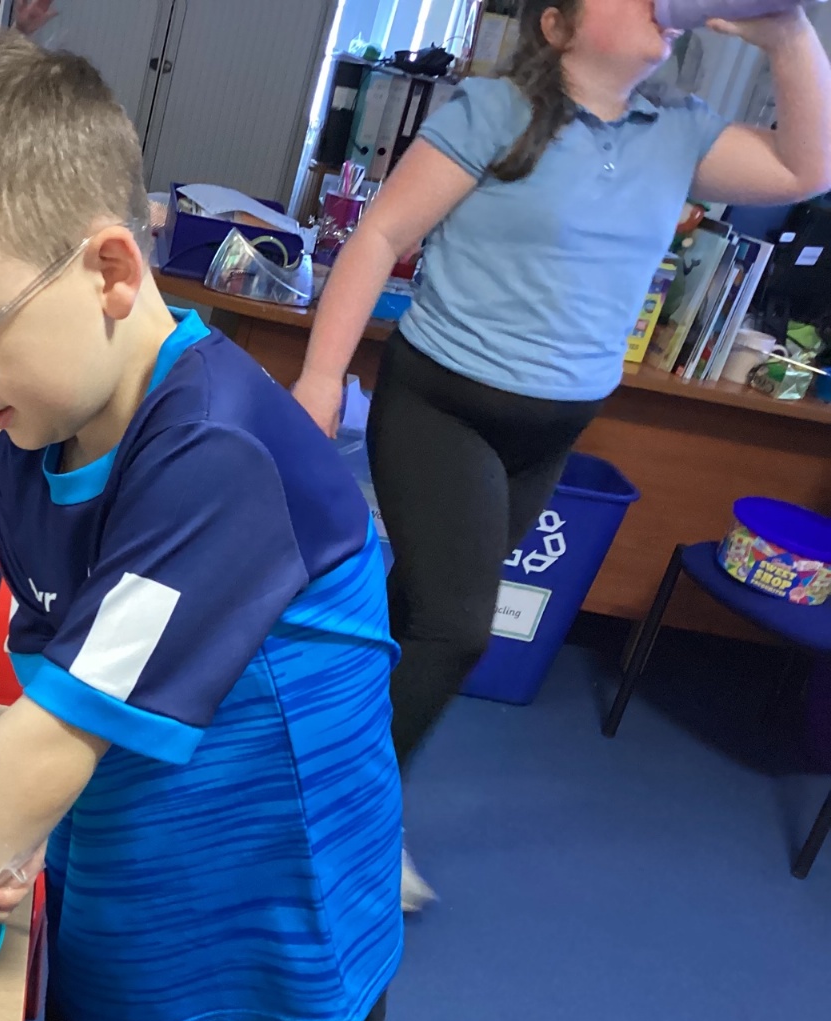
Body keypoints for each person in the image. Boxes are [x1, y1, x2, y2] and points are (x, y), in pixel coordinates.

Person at [0, 36, 400, 1021]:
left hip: (277, 944)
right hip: (125, 896)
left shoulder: (221, 452)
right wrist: (9, 837)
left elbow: (65, 728)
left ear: (108, 270)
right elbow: (59, 662)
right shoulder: (30, 426)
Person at [289, 0, 831, 910]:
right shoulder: (495, 111)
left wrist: (788, 31)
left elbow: (807, 167)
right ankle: (345, 830)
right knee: (458, 627)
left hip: (551, 428)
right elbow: (380, 235)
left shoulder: (678, 130)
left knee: (417, 610)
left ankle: (307, 758)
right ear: (557, 24)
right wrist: (319, 378)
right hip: (443, 405)